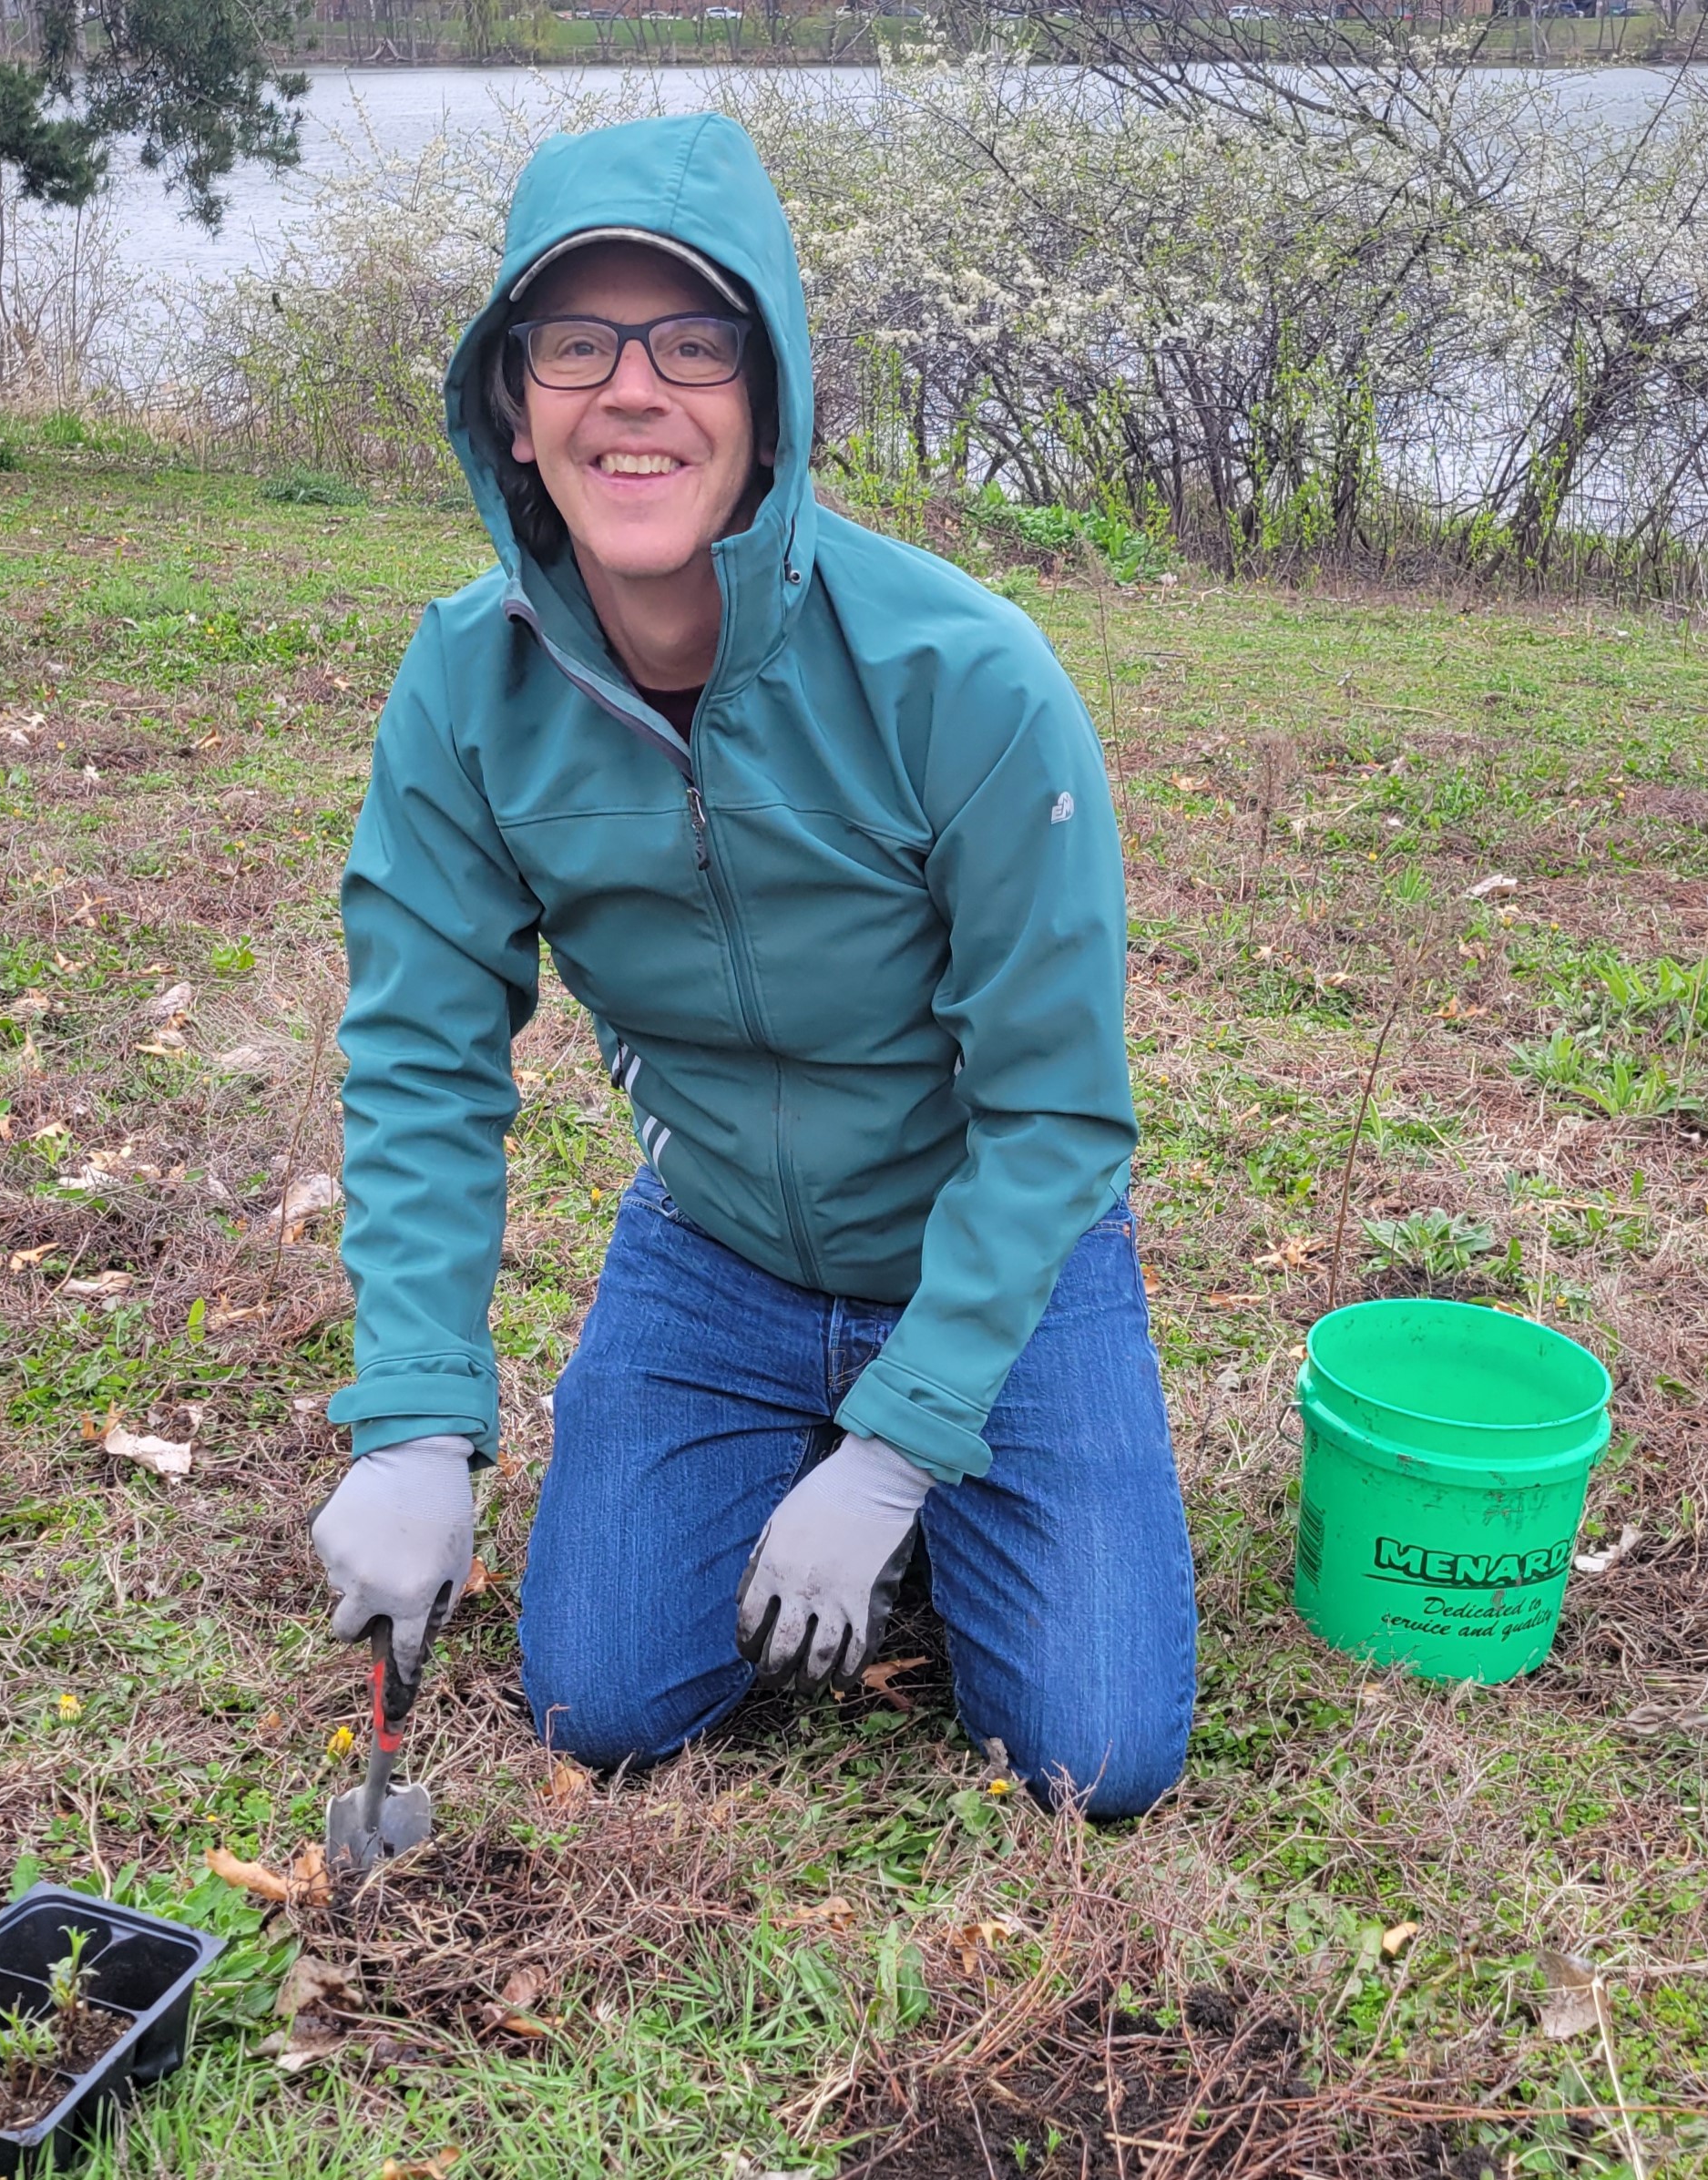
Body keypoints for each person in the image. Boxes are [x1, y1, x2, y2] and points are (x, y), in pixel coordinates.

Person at [309, 112, 1195, 1816]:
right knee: (602, 1699)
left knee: (1099, 1752)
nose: (632, 391)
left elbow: (1058, 1113)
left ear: (768, 391)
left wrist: (898, 1444)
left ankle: (906, 1458)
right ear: (510, 396)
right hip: (716, 1246)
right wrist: (414, 1419)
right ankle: (784, 1434)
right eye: (575, 341)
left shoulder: (969, 679)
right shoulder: (463, 688)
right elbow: (423, 1057)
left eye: (693, 341)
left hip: (992, 1252)